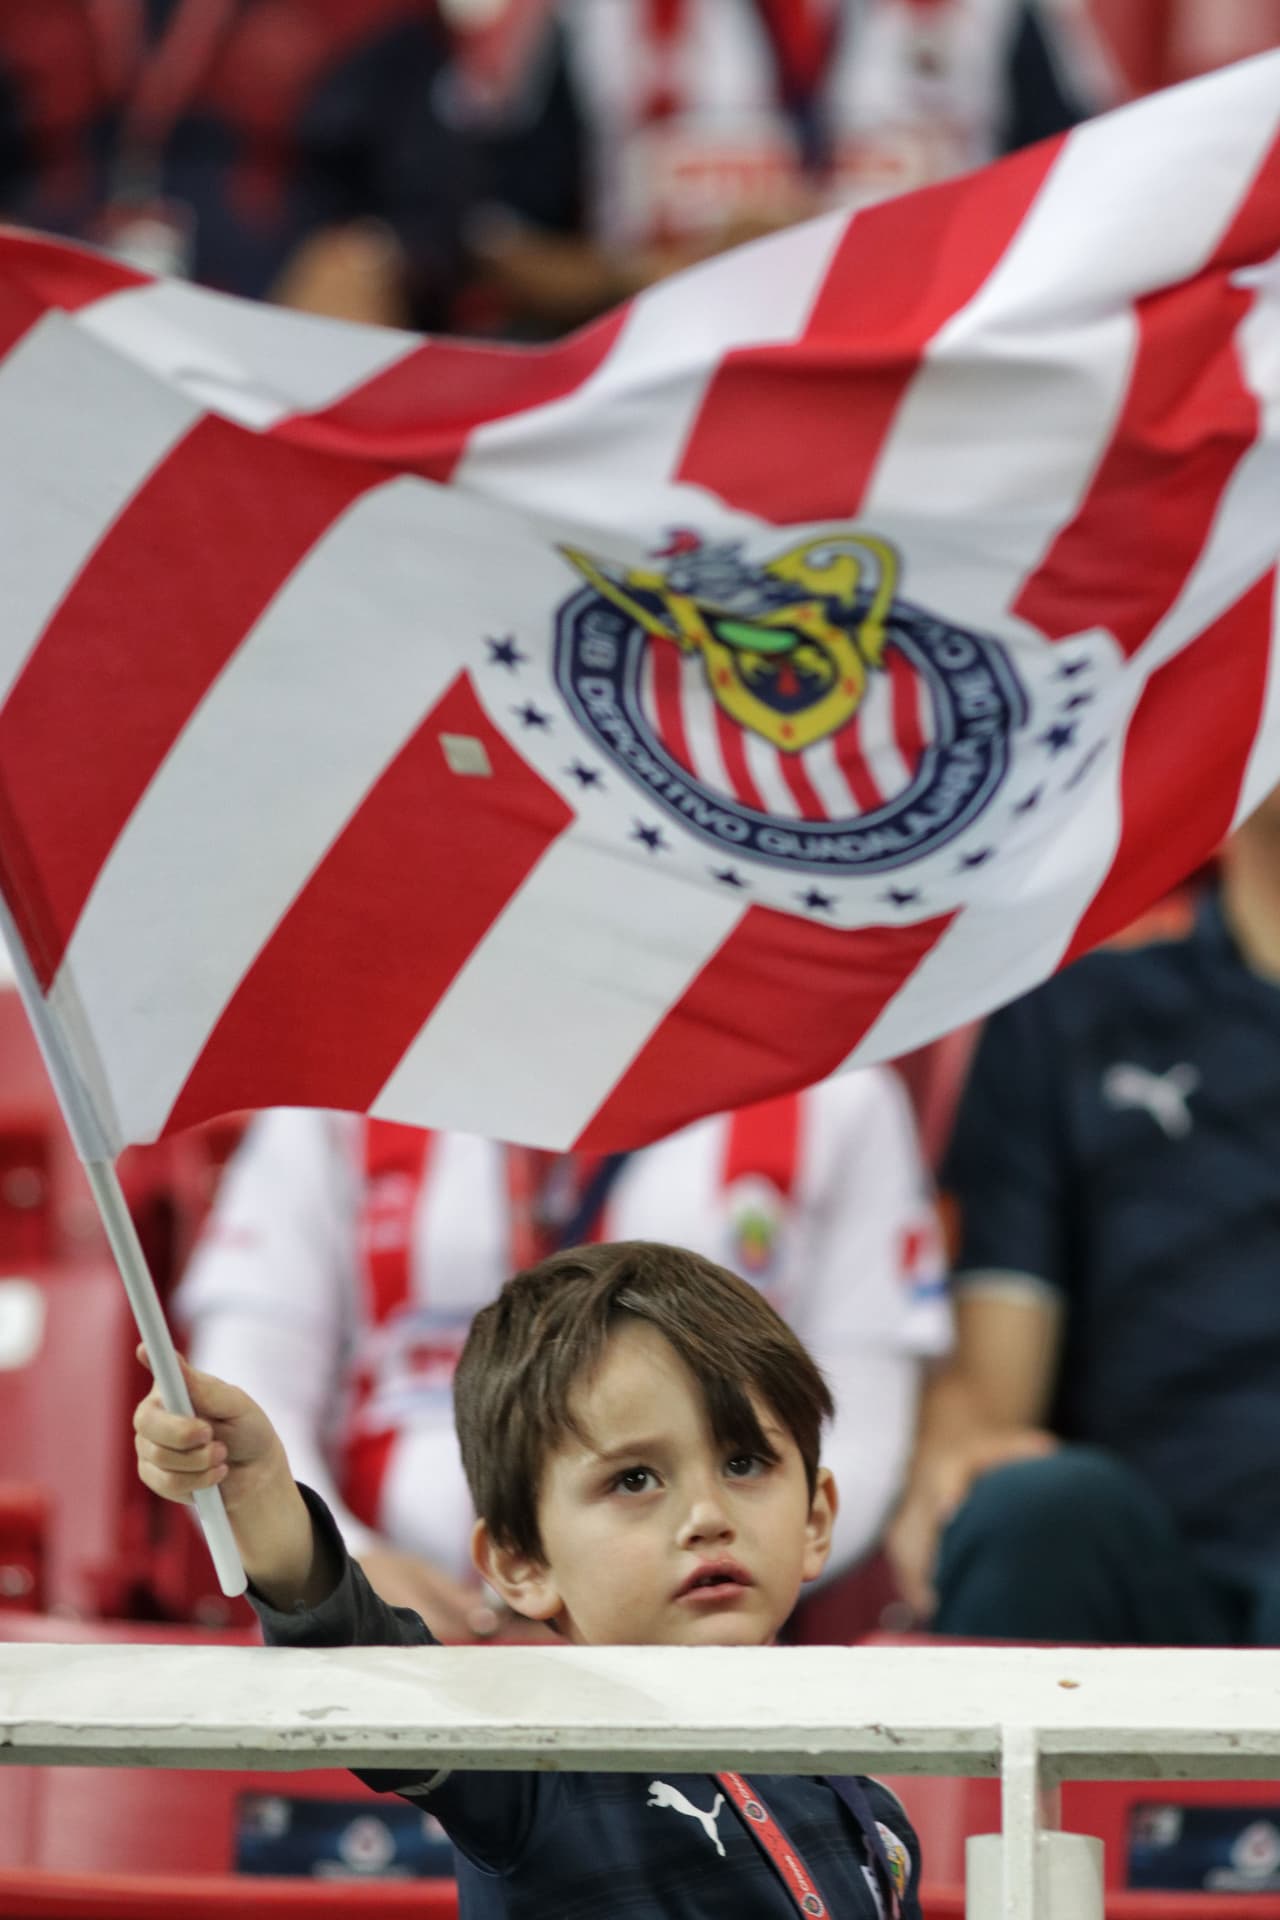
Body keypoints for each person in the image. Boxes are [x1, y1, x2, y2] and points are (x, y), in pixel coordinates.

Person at [136, 1239, 924, 1919]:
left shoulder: (874, 1811)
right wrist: (262, 1497)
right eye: (636, 1480)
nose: (706, 1516)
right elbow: (362, 1661)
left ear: (817, 1520)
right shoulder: (529, 1765)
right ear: (521, 1563)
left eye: (745, 1463)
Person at [177, 1069, 949, 1640]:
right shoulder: (338, 1078)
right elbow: (249, 1379)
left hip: (692, 1636)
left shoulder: (837, 1088)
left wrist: (634, 1609)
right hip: (382, 1634)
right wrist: (354, 1573)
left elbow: (859, 1430)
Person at [887, 787, 1280, 1645]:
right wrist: (959, 1448)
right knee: (1027, 1506)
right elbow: (991, 1397)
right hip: (1148, 1579)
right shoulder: (1073, 1016)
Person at [457, 0, 1118, 333]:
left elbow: (1088, 226)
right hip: (671, 418)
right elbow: (505, 247)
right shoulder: (599, 16)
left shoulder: (996, 13)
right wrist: (663, 274)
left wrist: (906, 267)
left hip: (926, 412)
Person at [0, 0, 471, 326]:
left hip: (277, 345)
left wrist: (372, 260)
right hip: (49, 328)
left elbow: (435, 215)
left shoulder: (378, 17)